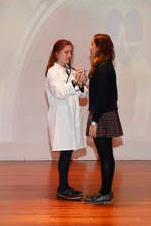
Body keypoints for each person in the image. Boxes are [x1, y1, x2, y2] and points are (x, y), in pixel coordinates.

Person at [44, 39, 88, 200]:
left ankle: (65, 186)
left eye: (71, 52)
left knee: (67, 153)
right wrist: (75, 81)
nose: (69, 55)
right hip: (61, 118)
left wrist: (82, 83)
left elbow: (83, 95)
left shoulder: (70, 71)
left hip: (71, 117)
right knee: (65, 153)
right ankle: (62, 188)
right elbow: (60, 92)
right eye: (66, 52)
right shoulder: (52, 72)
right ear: (57, 53)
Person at [84, 33, 123, 204]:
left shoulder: (102, 67)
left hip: (102, 116)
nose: (90, 47)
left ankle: (105, 193)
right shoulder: (104, 66)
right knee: (106, 155)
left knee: (105, 155)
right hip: (105, 114)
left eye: (92, 44)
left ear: (99, 47)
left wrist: (94, 121)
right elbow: (101, 93)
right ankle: (104, 191)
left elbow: (101, 98)